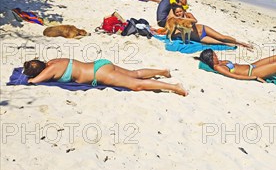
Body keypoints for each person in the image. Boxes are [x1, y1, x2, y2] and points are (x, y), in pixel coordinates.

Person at [23, 58, 187, 96]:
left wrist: (31, 77)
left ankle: (175, 87)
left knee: (136, 85)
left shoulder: (49, 71)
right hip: (100, 64)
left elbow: (33, 81)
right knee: (134, 74)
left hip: (99, 74)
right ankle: (162, 71)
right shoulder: (53, 62)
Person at [196, 49, 276, 91]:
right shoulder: (218, 67)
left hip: (252, 66)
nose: (216, 56)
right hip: (253, 72)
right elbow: (235, 76)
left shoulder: (219, 62)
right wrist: (254, 77)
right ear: (210, 59)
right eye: (213, 56)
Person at [169, 5, 253, 48]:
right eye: (177, 12)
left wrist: (185, 21)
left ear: (183, 10)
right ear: (175, 14)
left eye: (180, 11)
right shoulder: (176, 22)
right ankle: (240, 46)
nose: (179, 13)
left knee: (221, 37)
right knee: (220, 42)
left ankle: (241, 42)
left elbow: (195, 21)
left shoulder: (188, 15)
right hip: (199, 38)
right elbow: (172, 32)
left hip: (203, 29)